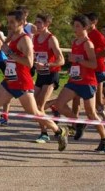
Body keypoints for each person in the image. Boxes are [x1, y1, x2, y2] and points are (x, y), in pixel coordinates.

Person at [0, 10, 68, 153]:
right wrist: (3, 44)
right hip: (10, 79)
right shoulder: (13, 34)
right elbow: (3, 44)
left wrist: (9, 53)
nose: (9, 25)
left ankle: (59, 130)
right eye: (8, 22)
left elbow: (29, 63)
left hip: (22, 81)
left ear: (22, 23)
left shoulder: (25, 39)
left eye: (12, 22)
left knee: (34, 112)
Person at [54, 14, 105, 152]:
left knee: (91, 113)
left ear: (85, 27)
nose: (75, 29)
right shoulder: (75, 42)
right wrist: (73, 66)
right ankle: (78, 122)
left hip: (87, 82)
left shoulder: (88, 43)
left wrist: (78, 60)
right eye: (74, 26)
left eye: (78, 26)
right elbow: (77, 61)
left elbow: (93, 64)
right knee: (59, 104)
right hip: (75, 80)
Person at [32, 13, 65, 143]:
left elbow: (61, 60)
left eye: (40, 22)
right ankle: (54, 106)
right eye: (36, 22)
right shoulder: (35, 38)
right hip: (41, 75)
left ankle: (44, 133)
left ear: (47, 24)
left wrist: (46, 64)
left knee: (39, 106)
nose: (37, 25)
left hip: (51, 74)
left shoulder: (52, 39)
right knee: (34, 106)